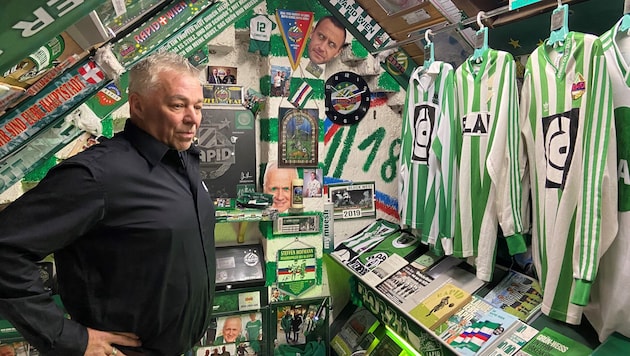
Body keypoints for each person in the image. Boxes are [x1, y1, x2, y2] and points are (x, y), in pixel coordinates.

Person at [0, 51, 216, 355]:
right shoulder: (97, 175)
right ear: (137, 105)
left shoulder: (183, 162)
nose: (193, 118)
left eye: (198, 106)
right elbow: (6, 249)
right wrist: (68, 338)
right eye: (178, 105)